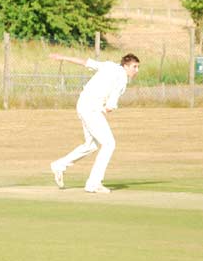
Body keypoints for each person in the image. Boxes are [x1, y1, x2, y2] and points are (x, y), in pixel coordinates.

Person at [49, 53, 140, 193]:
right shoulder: (122, 77)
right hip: (91, 109)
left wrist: (63, 57)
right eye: (134, 67)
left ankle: (59, 165)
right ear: (126, 66)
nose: (136, 70)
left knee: (90, 145)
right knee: (109, 144)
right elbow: (110, 106)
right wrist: (107, 107)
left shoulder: (108, 65)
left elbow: (84, 61)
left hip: (82, 104)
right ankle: (93, 183)